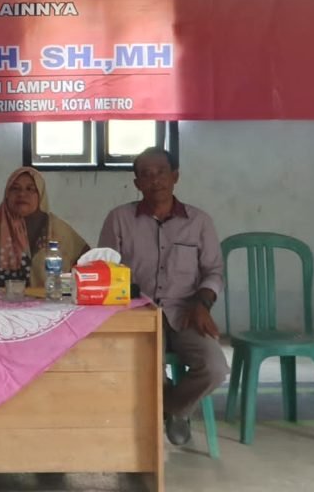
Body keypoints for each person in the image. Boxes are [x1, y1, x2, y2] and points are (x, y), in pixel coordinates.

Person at [98, 147, 229, 447]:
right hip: (137, 312)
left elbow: (214, 272)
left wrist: (202, 303)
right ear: (137, 183)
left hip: (186, 311)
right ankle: (167, 407)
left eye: (161, 172)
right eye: (146, 175)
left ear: (175, 176)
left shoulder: (199, 222)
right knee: (143, 369)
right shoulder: (119, 219)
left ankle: (175, 408)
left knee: (215, 368)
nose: (155, 180)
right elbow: (105, 268)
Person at [0, 166, 89, 289]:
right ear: (7, 194)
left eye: (30, 189)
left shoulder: (59, 230)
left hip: (49, 302)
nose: (22, 194)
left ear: (41, 195)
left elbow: (88, 263)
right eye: (15, 188)